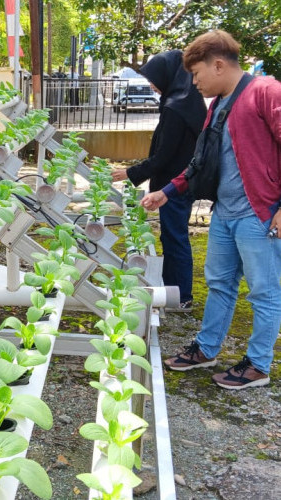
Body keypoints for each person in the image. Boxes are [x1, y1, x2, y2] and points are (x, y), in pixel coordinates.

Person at [141, 30, 281, 390]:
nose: (195, 82)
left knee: (264, 292)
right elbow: (200, 162)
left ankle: (258, 365)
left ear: (218, 64)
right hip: (226, 211)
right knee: (219, 283)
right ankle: (207, 348)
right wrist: (168, 192)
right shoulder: (218, 105)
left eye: (197, 74)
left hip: (259, 212)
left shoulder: (266, 91)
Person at [111, 50, 207, 311]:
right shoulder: (184, 100)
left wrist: (131, 173)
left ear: (167, 75)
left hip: (173, 186)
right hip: (178, 182)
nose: (151, 85)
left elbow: (164, 155)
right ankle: (173, 290)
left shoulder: (176, 108)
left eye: (153, 78)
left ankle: (181, 296)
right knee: (173, 236)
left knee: (175, 238)